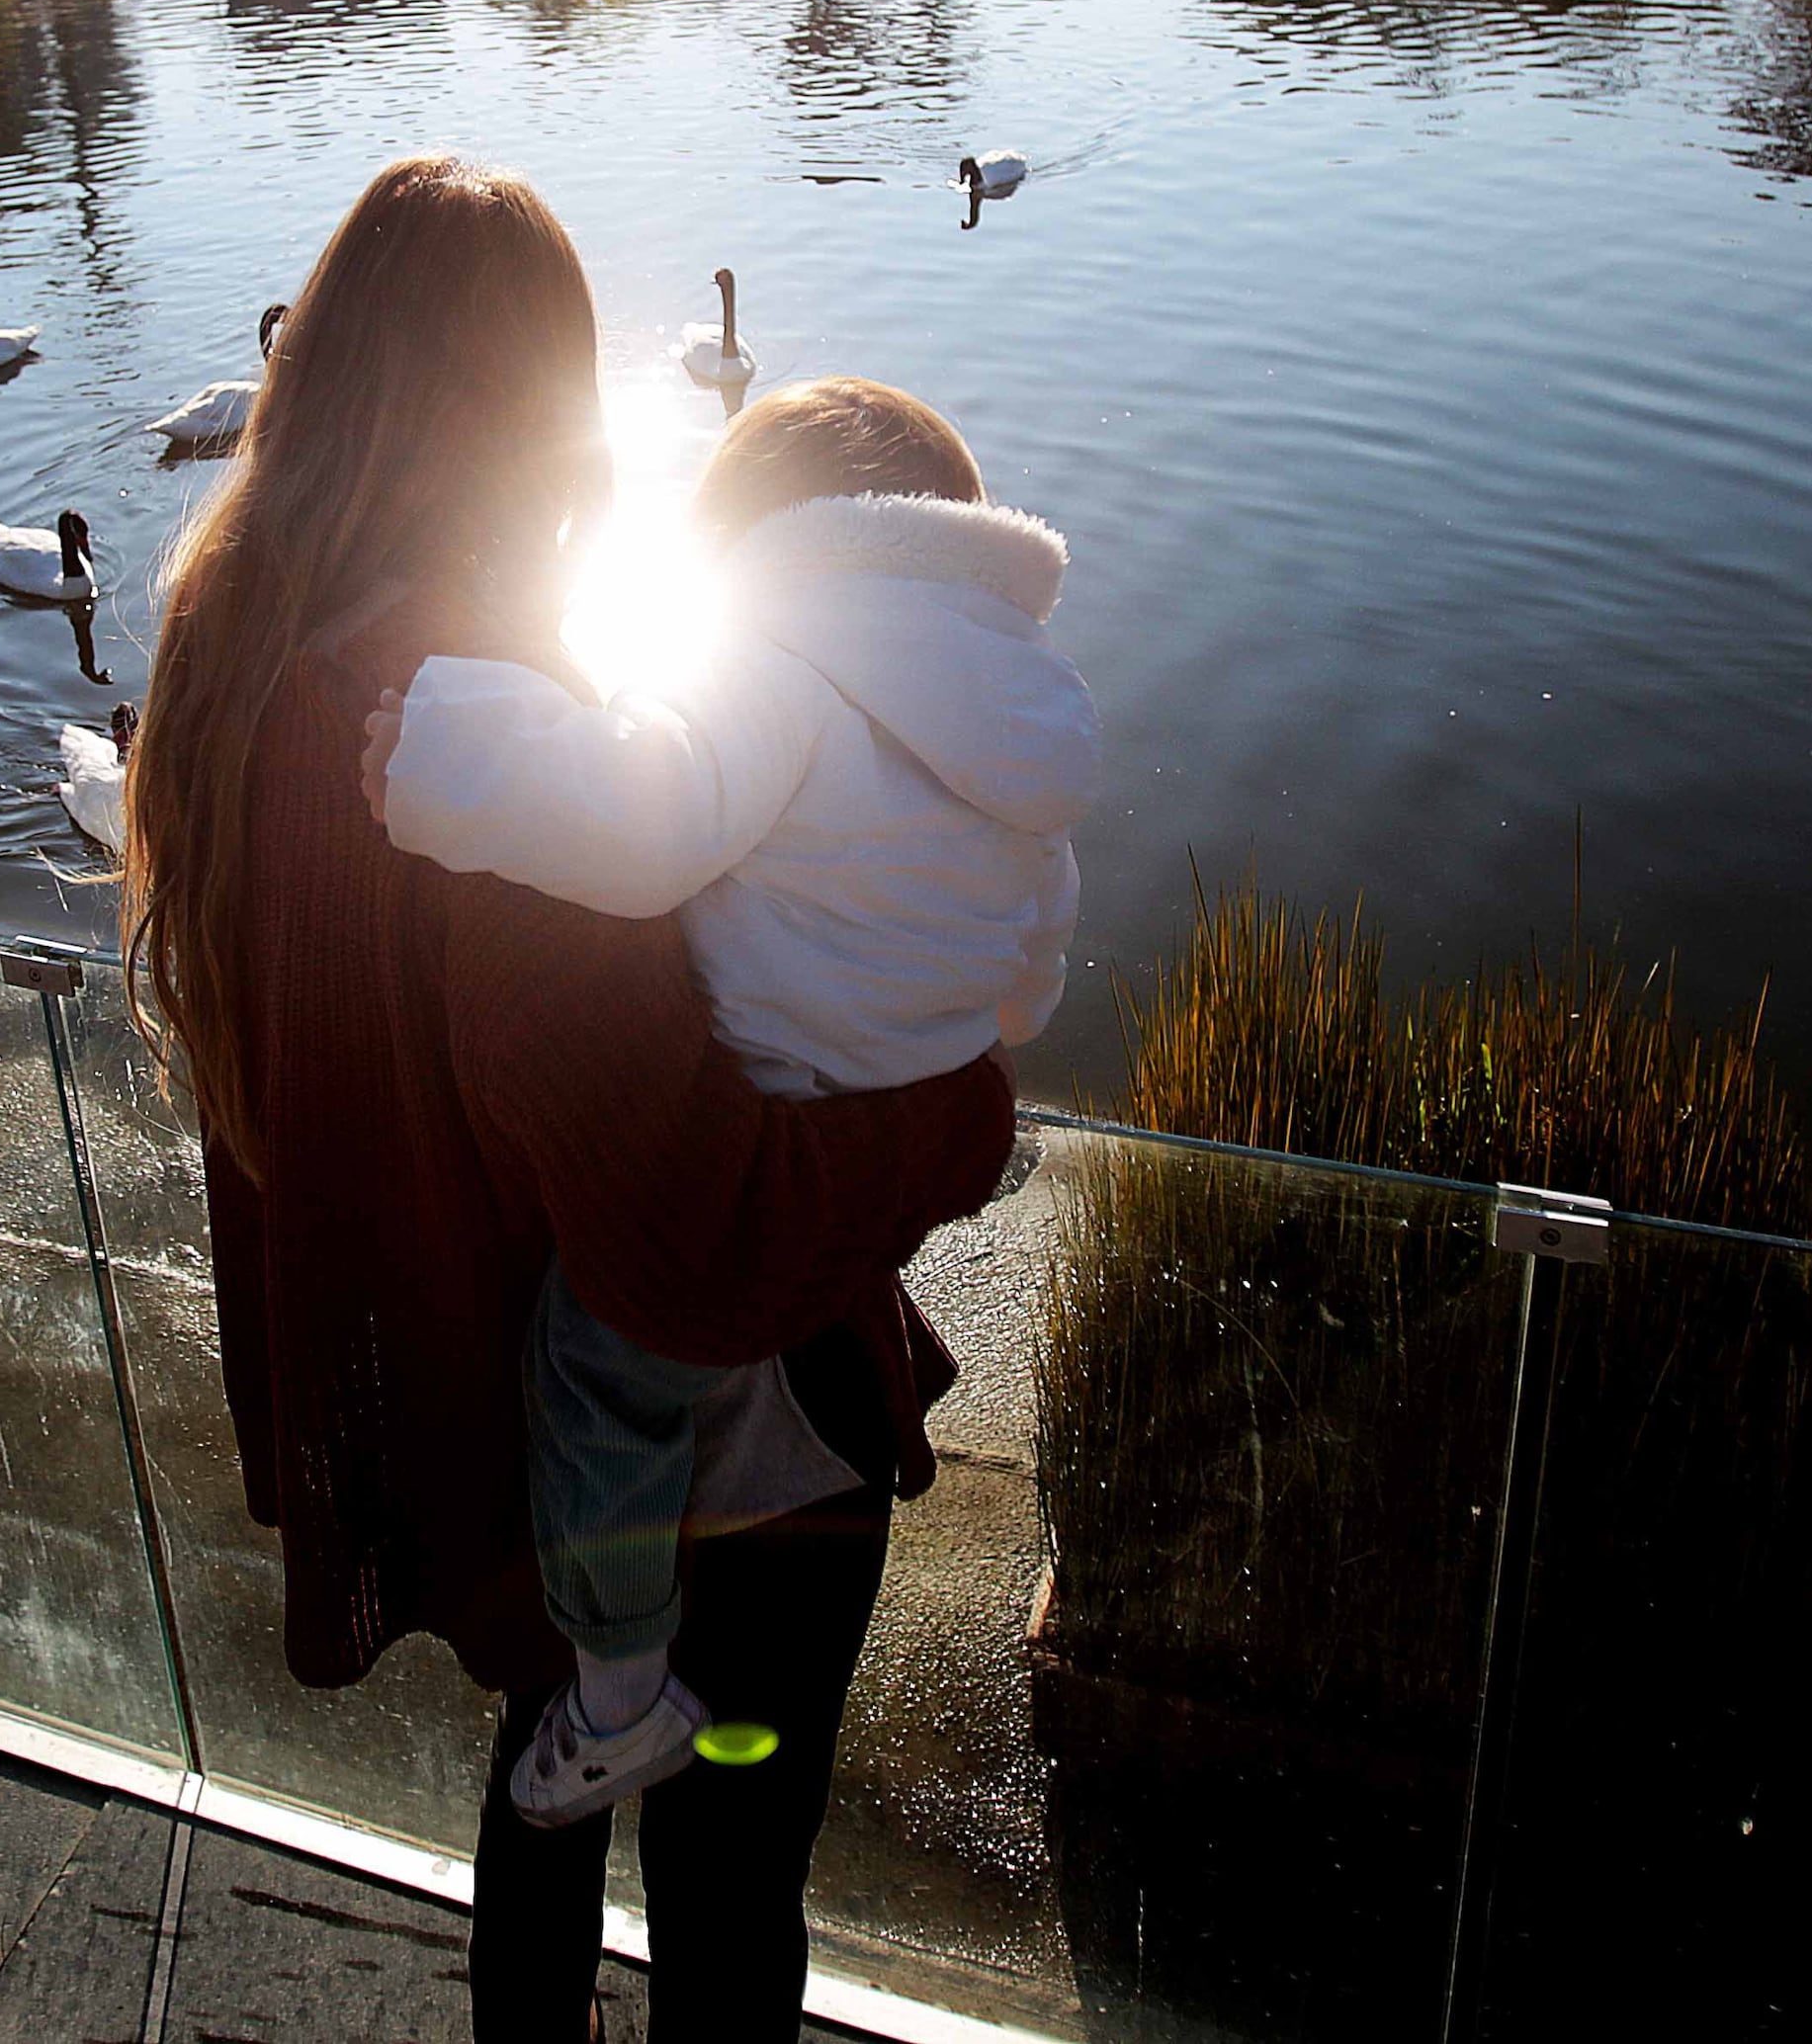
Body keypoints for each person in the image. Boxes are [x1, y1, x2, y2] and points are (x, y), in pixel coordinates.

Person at [125, 161, 1014, 2044]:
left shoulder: (236, 682)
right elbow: (692, 1229)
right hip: (695, 1489)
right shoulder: (465, 733)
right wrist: (957, 1123)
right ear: (525, 404)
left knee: (543, 1820)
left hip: (496, 1452)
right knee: (728, 1893)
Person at [365, 380, 1090, 1818]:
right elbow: (1031, 984)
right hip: (897, 1126)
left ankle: (621, 1687)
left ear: (765, 538)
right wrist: (930, 1043)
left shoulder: (772, 667)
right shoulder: (1029, 740)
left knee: (592, 1367)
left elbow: (642, 818)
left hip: (760, 1103)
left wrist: (441, 737)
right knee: (757, 1884)